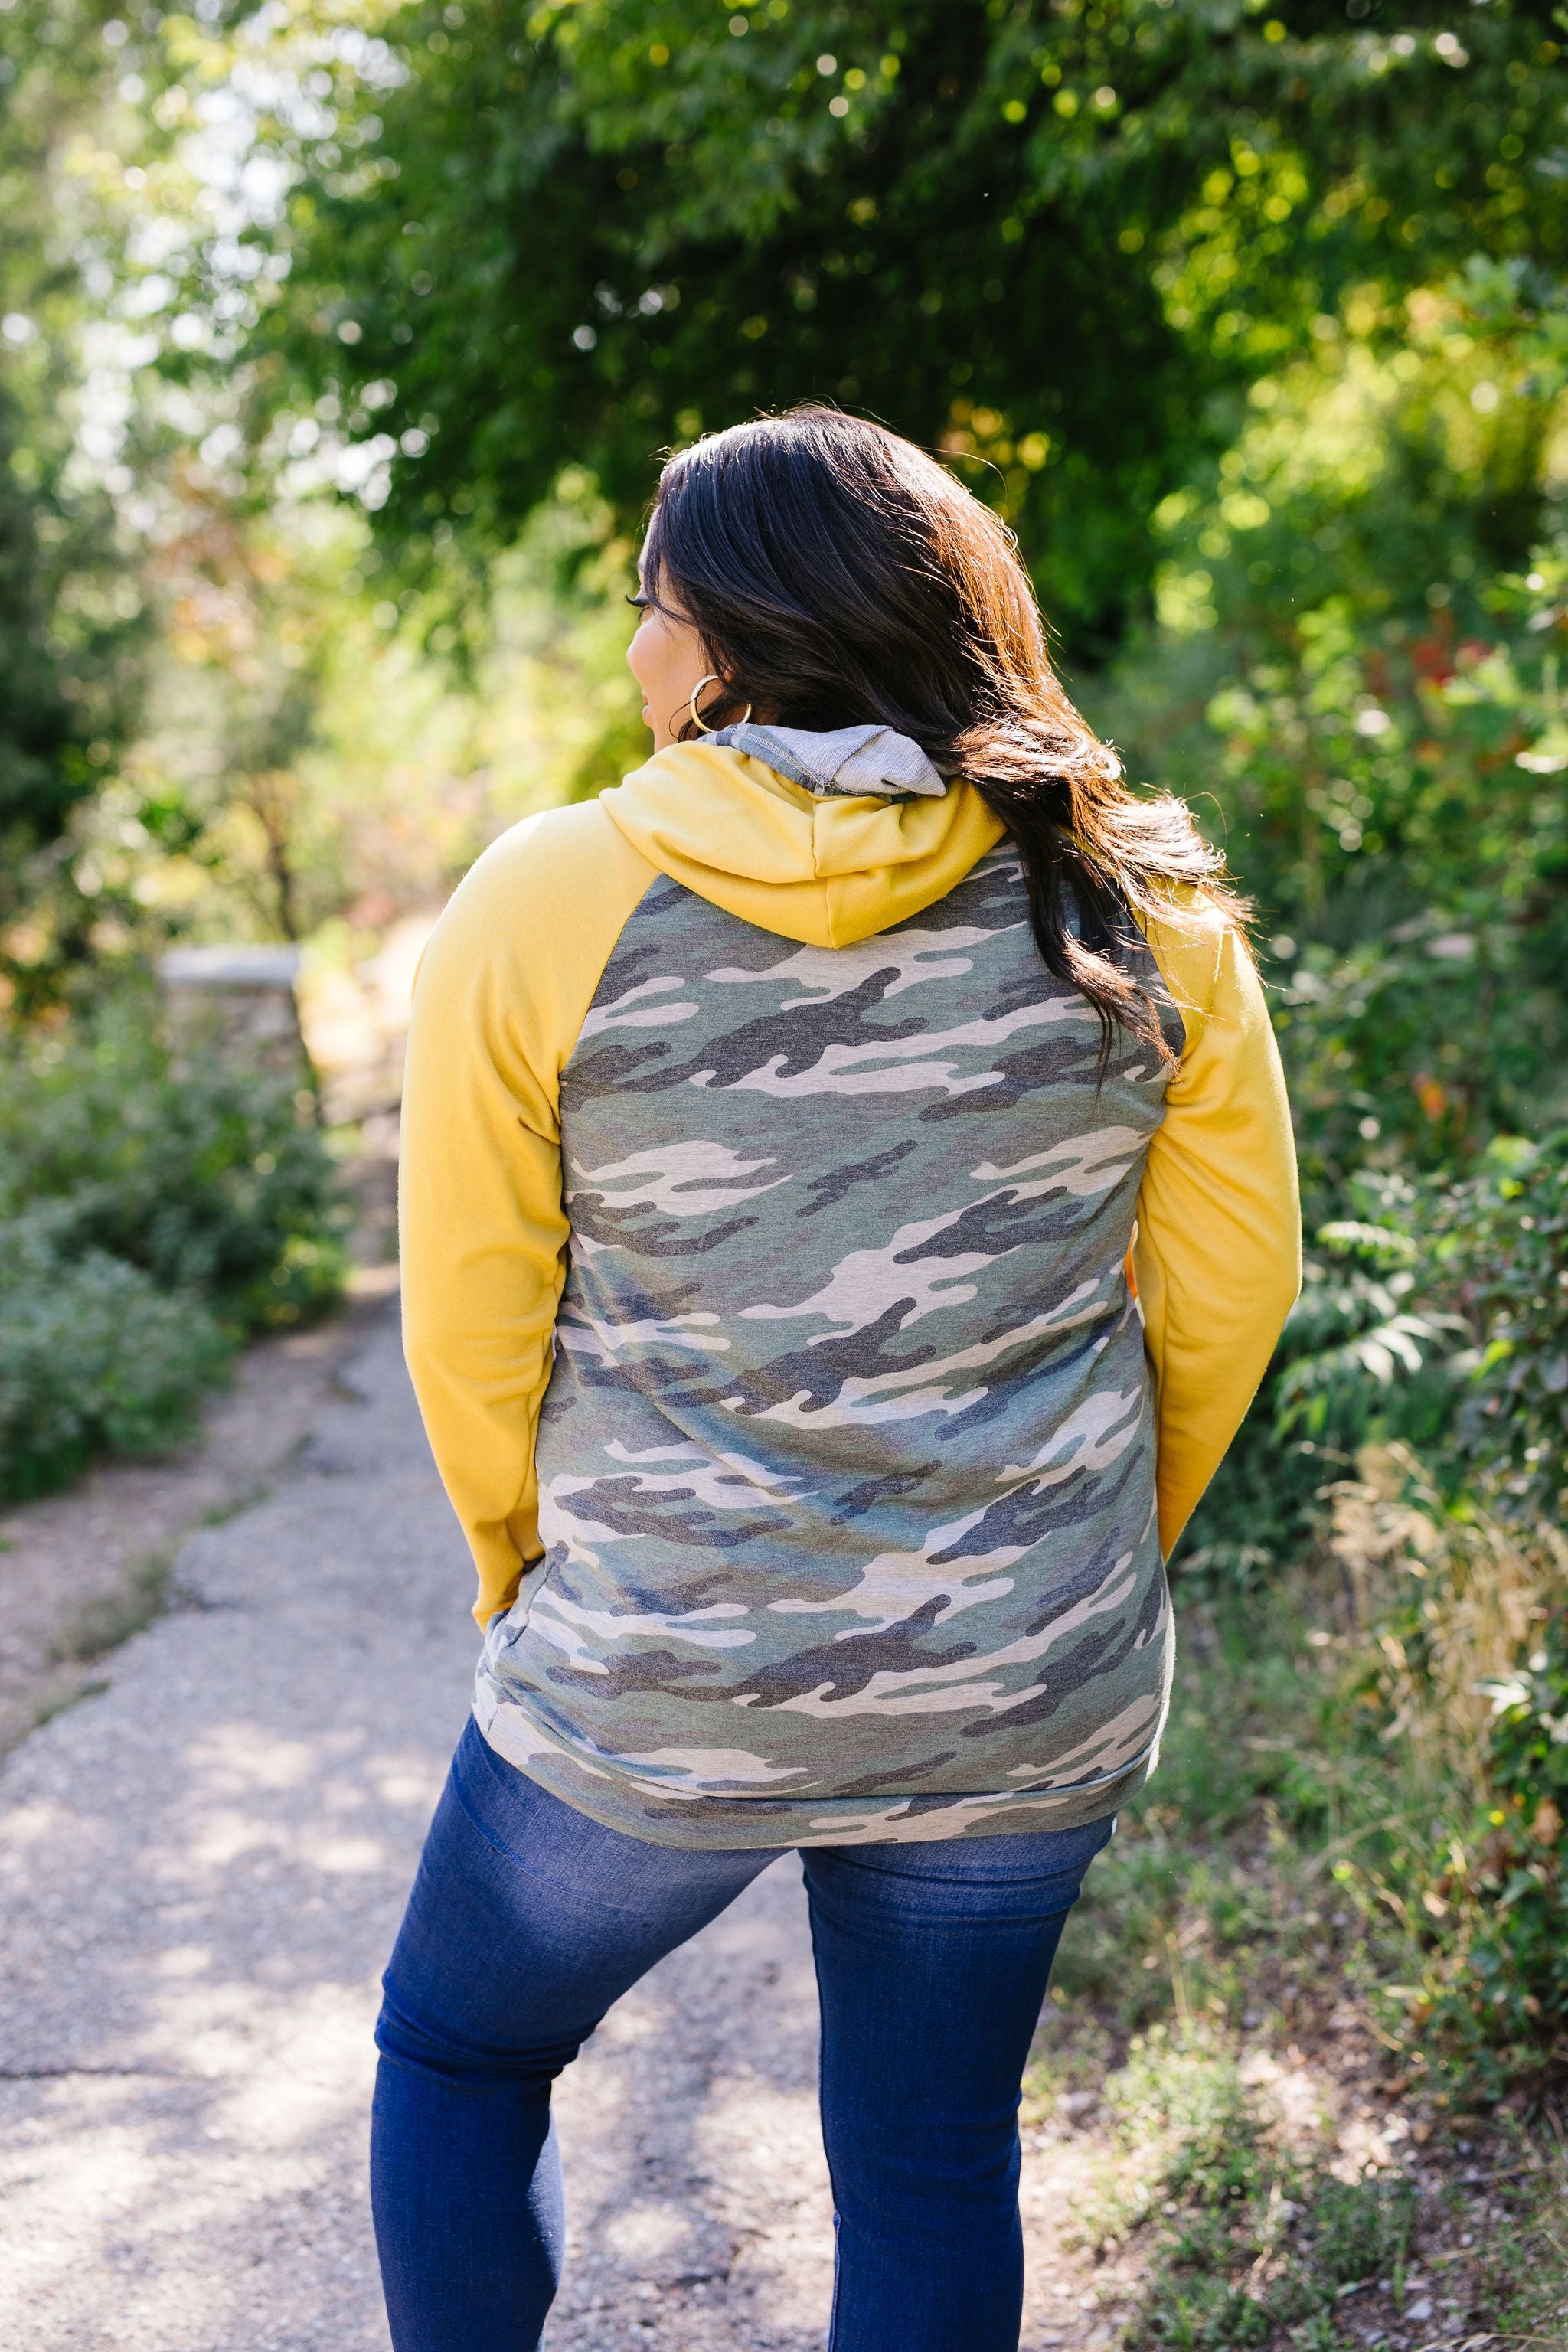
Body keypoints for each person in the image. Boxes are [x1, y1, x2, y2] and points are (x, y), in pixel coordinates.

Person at [375, 407, 1301, 2352]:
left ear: (713, 646)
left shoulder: (544, 901)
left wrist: (524, 1571)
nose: (634, 652)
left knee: (461, 2060)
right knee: (933, 2160)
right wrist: (1083, 1558)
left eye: (644, 608)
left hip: (655, 1674)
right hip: (1024, 1674)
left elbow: (470, 1314)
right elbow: (1229, 1293)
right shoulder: (1141, 908)